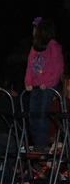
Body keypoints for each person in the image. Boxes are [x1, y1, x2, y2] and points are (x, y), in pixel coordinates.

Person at [25, 18, 64, 153]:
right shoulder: (34, 48)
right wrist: (28, 82)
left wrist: (47, 83)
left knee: (42, 115)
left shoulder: (53, 47)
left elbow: (56, 68)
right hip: (35, 87)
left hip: (46, 87)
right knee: (32, 116)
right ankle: (36, 143)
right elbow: (29, 66)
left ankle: (40, 145)